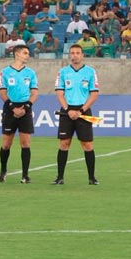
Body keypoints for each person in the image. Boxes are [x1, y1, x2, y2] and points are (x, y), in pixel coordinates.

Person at [53, 44, 100, 185]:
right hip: (67, 111)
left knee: (87, 145)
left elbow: (94, 94)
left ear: (82, 55)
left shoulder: (90, 72)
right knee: (64, 143)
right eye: (72, 53)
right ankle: (60, 177)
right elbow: (59, 93)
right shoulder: (63, 72)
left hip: (83, 110)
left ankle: (91, 178)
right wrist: (68, 110)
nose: (75, 55)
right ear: (70, 55)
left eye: (77, 53)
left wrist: (81, 110)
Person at [0, 45, 39, 184]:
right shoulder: (5, 72)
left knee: (25, 143)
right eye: (25, 53)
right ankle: (3, 171)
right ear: (17, 54)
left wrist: (26, 106)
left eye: (28, 53)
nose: (28, 55)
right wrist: (12, 107)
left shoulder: (31, 73)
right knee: (6, 144)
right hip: (10, 109)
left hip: (25, 110)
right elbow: (2, 92)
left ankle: (25, 175)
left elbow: (34, 92)